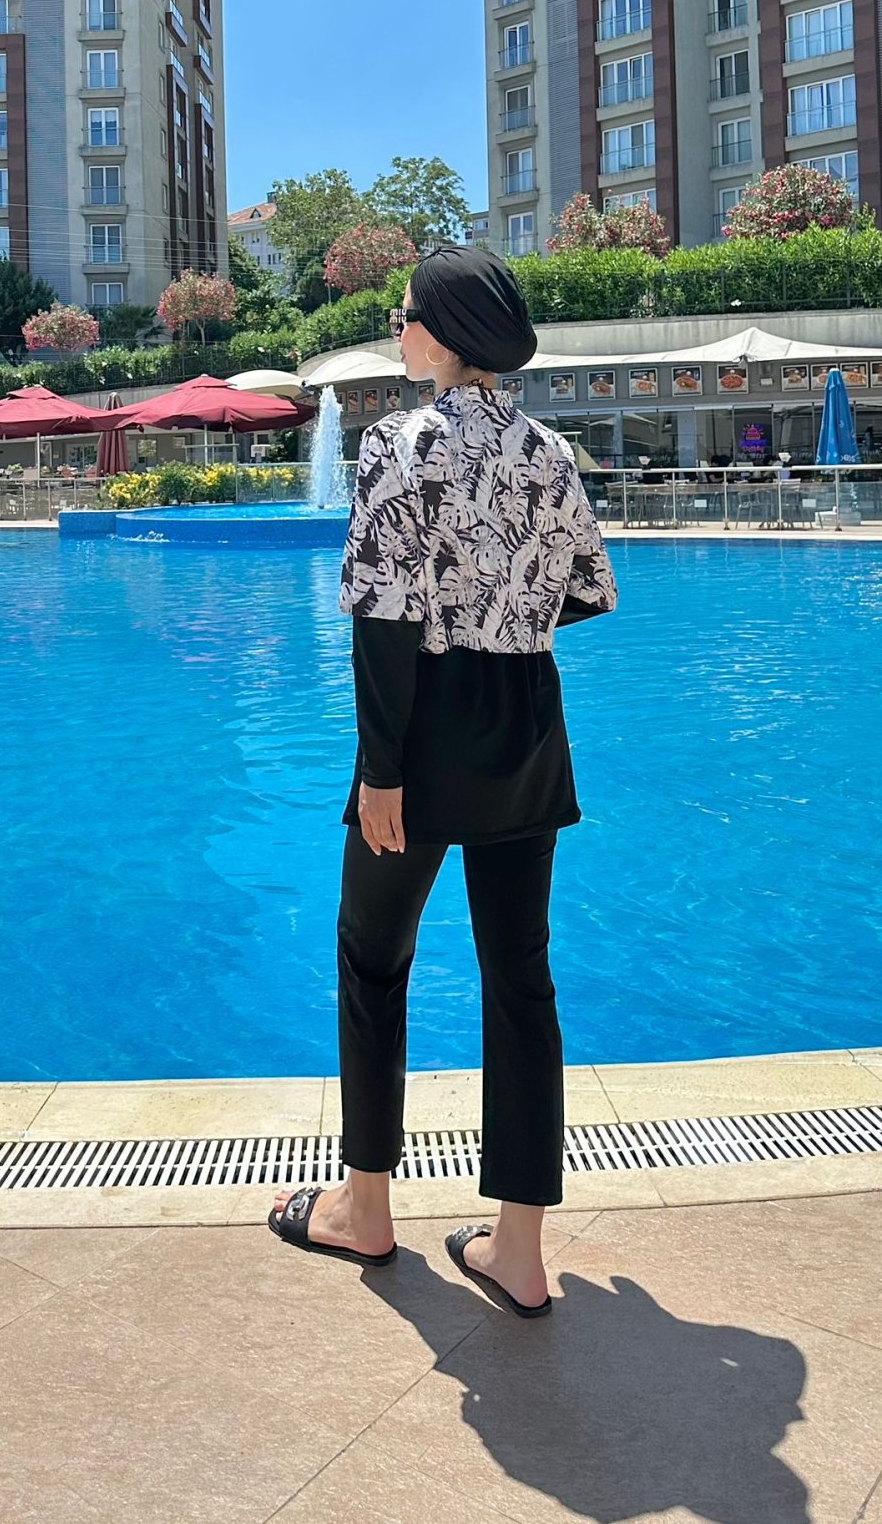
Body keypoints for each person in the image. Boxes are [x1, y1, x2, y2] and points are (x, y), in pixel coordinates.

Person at [267, 245, 618, 1317]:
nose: (398, 328)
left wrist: (382, 772)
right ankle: (520, 1250)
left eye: (404, 313)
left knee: (372, 960)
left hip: (423, 731)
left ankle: (365, 1210)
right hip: (527, 719)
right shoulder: (549, 449)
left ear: (445, 330)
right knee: (521, 977)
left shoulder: (398, 441)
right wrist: (502, 616)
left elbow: (382, 618)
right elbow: (589, 590)